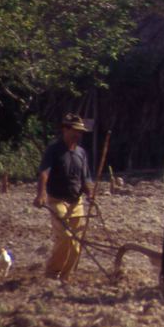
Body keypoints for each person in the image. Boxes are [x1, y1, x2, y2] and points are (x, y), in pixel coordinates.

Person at [34, 113, 95, 282]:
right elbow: (44, 173)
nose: (78, 134)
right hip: (57, 199)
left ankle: (66, 277)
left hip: (76, 202)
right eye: (75, 130)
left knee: (76, 246)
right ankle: (52, 273)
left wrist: (90, 193)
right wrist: (41, 194)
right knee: (66, 236)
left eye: (80, 131)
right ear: (65, 129)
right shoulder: (54, 150)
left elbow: (86, 178)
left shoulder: (81, 153)